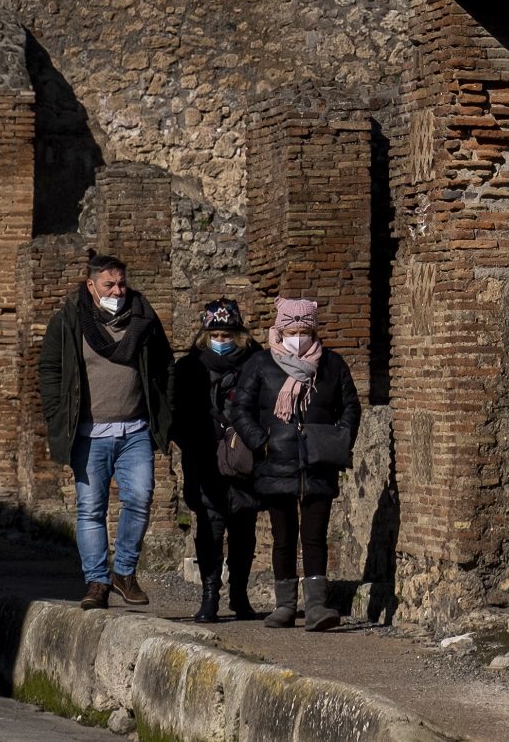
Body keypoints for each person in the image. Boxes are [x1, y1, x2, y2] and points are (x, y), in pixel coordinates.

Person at [36, 253, 173, 611]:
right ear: (91, 285)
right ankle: (97, 581)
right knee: (90, 509)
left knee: (140, 496)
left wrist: (165, 411)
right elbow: (49, 369)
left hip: (135, 429)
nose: (117, 290)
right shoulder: (68, 321)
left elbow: (164, 365)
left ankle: (123, 573)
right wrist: (56, 414)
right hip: (88, 433)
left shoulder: (143, 318)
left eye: (121, 284)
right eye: (109, 284)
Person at [231, 298, 360, 631]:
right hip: (275, 462)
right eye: (291, 332)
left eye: (304, 331)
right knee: (283, 537)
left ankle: (316, 606)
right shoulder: (261, 364)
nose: (298, 338)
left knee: (315, 536)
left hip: (318, 462)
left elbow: (350, 406)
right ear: (280, 330)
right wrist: (261, 441)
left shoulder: (332, 364)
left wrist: (338, 439)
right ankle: (285, 605)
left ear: (314, 331)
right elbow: (241, 409)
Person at [170, 298, 261, 623]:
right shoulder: (189, 367)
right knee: (210, 525)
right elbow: (176, 413)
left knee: (244, 526)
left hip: (244, 457)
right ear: (205, 335)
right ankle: (209, 596)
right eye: (216, 336)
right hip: (204, 456)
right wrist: (192, 440)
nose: (221, 341)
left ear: (239, 335)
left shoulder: (256, 363)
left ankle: (239, 595)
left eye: (227, 335)